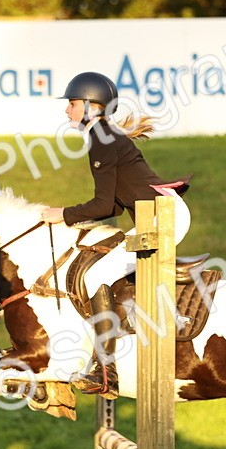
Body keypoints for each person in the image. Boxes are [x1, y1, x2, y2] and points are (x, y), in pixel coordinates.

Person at [40, 71, 191, 397]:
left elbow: (104, 205)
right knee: (109, 269)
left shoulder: (101, 138)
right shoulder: (104, 135)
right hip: (159, 214)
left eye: (72, 103)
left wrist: (63, 214)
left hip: (163, 217)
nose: (66, 110)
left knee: (97, 275)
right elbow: (115, 206)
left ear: (91, 106)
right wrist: (73, 218)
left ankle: (105, 370)